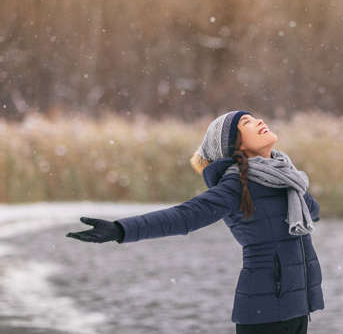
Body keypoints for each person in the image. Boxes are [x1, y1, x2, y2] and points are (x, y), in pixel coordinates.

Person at [67, 110, 324, 334]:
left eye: (255, 117)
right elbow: (184, 216)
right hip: (264, 312)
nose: (259, 121)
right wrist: (120, 229)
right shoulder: (235, 186)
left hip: (298, 307)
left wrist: (290, 180)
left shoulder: (285, 177)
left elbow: (312, 212)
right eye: (247, 122)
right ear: (238, 146)